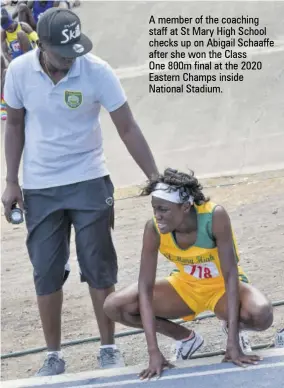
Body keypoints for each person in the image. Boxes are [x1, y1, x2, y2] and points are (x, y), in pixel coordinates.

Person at [2, 8, 159, 377]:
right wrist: (11, 181)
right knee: (46, 271)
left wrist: (155, 177)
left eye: (75, 49)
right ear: (42, 45)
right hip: (40, 186)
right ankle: (53, 354)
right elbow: (15, 125)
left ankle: (108, 347)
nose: (71, 57)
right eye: (63, 52)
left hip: (89, 180)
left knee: (99, 266)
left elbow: (127, 127)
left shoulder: (97, 70)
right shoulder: (19, 72)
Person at [104, 168, 274, 380]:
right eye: (154, 209)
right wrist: (153, 352)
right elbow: (144, 289)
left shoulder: (214, 216)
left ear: (185, 207)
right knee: (115, 306)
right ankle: (185, 338)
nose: (157, 216)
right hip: (185, 287)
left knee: (261, 314)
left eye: (163, 209)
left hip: (222, 287)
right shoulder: (154, 229)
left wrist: (232, 343)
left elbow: (230, 275)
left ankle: (233, 327)